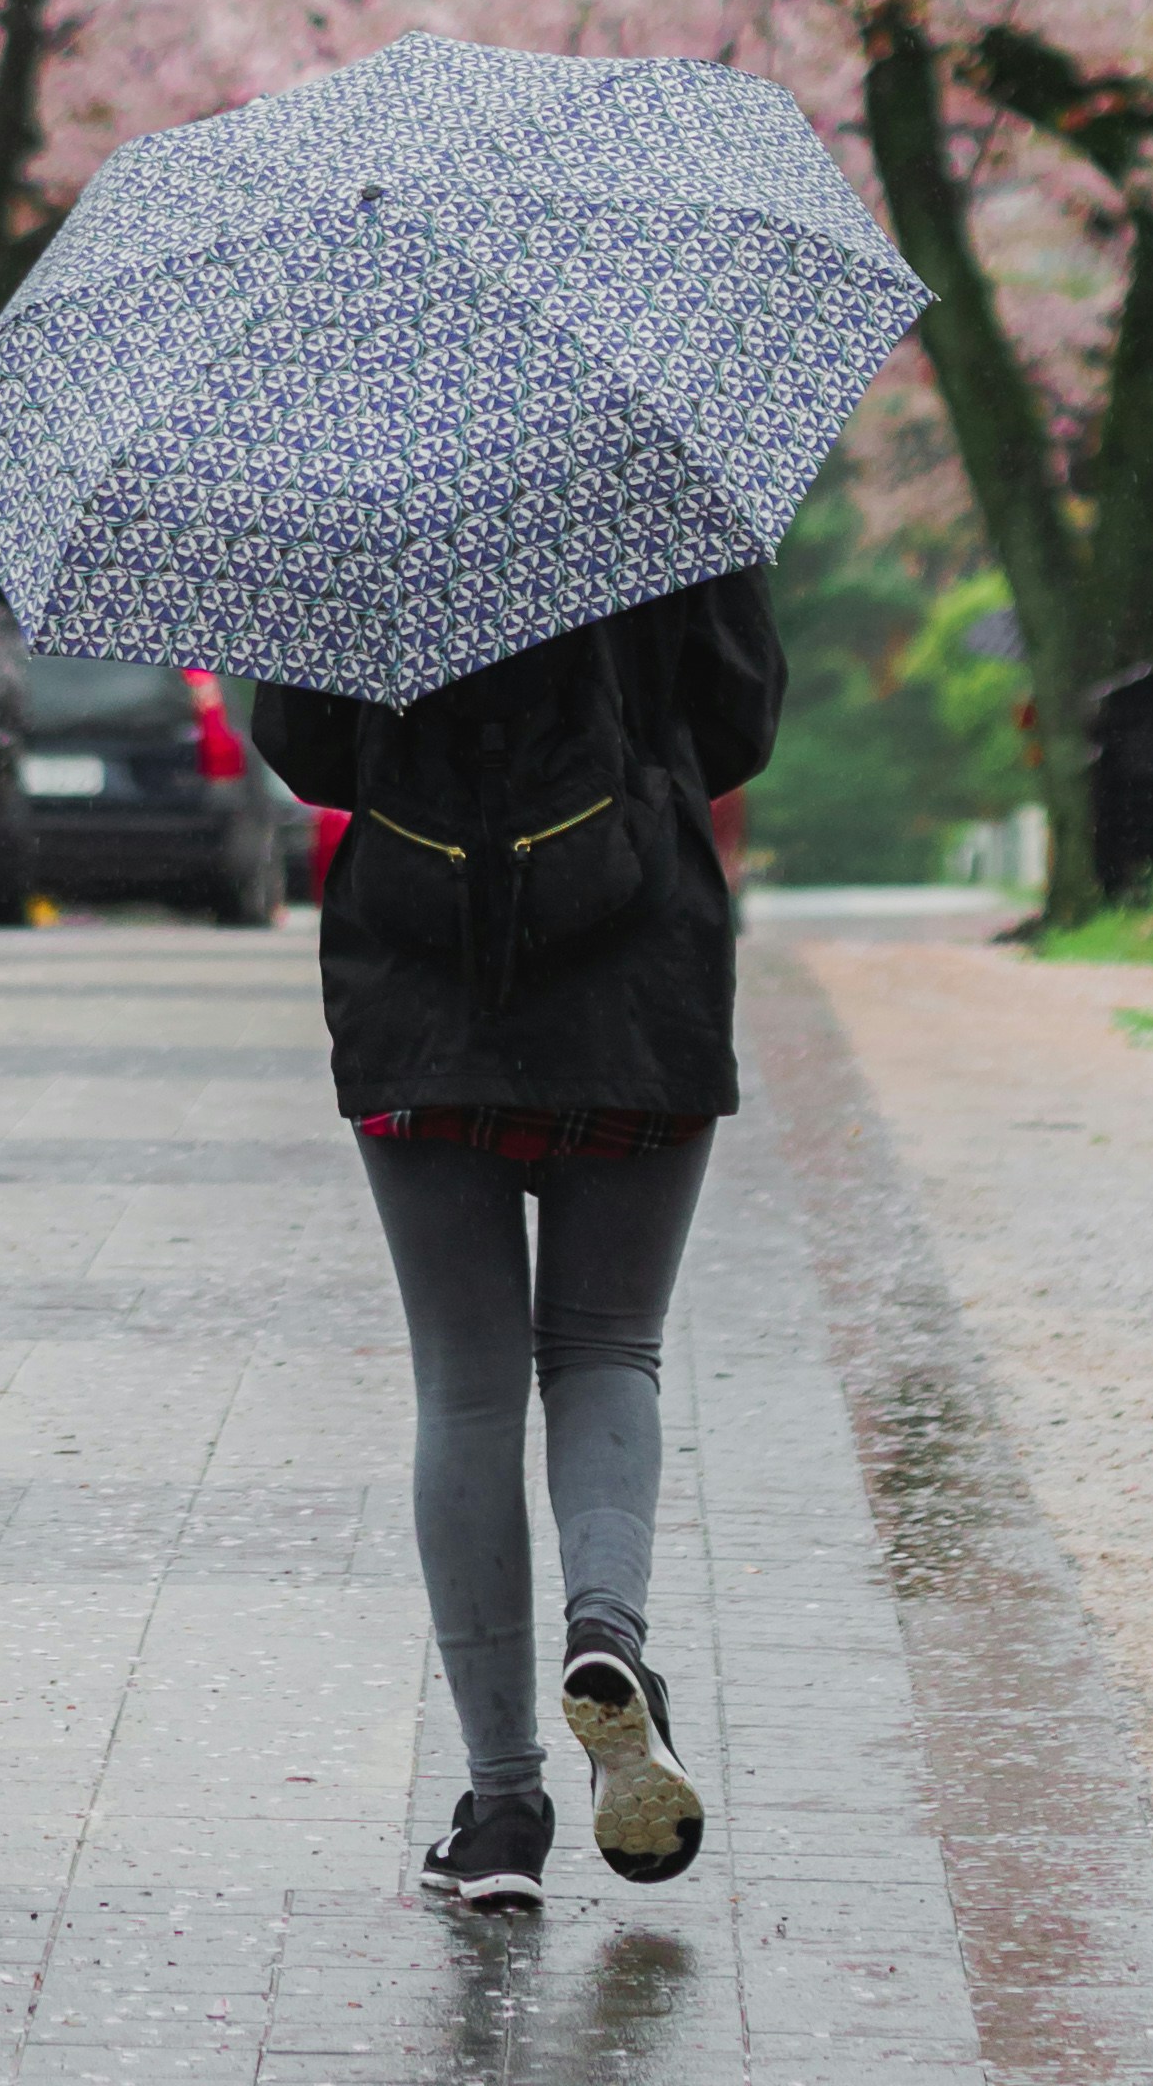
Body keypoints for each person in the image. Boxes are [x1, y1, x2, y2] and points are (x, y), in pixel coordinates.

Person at [253, 567, 788, 1915]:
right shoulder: (666, 482)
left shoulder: (346, 484)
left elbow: (306, 752)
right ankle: (607, 1633)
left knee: (468, 1382)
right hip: (639, 977)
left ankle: (502, 1812)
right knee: (607, 1346)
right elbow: (741, 721)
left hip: (419, 984)